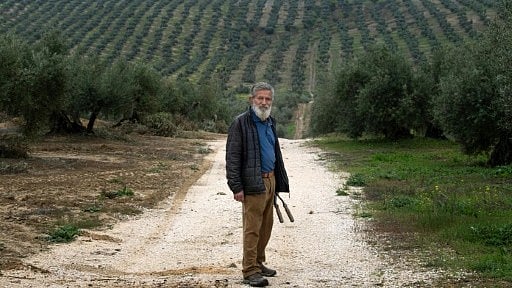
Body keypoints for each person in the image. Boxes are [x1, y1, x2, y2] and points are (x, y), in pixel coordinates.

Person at [225, 82, 290, 287]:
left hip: (270, 180)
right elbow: (232, 158)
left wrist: (278, 180)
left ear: (272, 101)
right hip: (253, 182)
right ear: (251, 99)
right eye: (260, 98)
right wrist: (236, 187)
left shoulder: (270, 122)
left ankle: (258, 262)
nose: (263, 102)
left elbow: (275, 152)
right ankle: (250, 270)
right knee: (252, 228)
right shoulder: (240, 123)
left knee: (266, 227)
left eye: (267, 99)